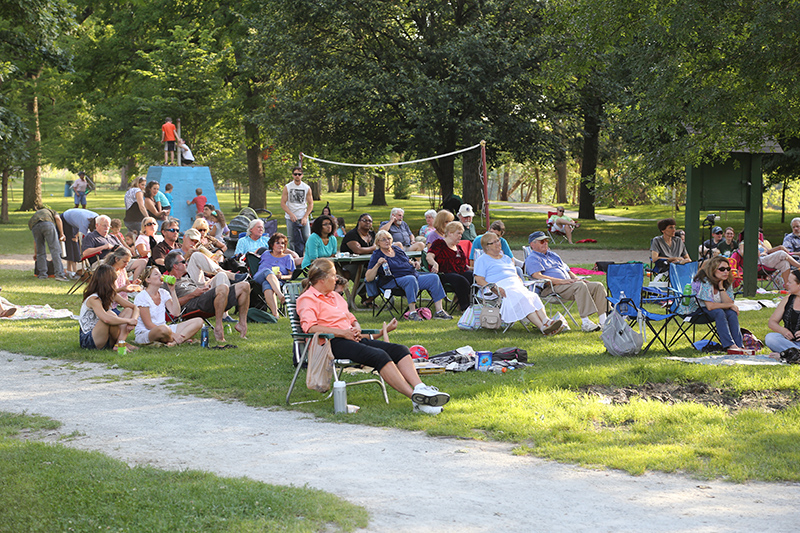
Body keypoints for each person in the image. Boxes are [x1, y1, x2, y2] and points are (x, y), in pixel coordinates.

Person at [297, 258, 451, 414]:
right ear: (322, 280)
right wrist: (344, 332)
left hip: (351, 338)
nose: (336, 279)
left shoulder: (335, 296)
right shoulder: (307, 299)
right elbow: (310, 327)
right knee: (379, 356)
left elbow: (351, 318)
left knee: (400, 350)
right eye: (333, 275)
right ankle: (416, 400)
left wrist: (355, 328)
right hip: (331, 344)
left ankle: (421, 388)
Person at [474, 232, 563, 335]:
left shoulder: (506, 258)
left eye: (498, 240)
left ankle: (546, 321)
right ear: (487, 247)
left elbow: (514, 273)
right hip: (499, 288)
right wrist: (494, 288)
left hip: (516, 285)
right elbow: (479, 280)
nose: (497, 243)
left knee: (532, 296)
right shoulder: (482, 260)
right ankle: (543, 327)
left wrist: (519, 280)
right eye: (493, 242)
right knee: (523, 298)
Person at [524, 231, 607, 332]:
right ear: (532, 244)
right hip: (551, 288)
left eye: (546, 240)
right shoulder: (533, 258)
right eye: (542, 241)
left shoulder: (553, 255)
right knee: (579, 286)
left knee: (597, 286)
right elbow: (537, 276)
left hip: (568, 285)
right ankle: (586, 323)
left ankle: (603, 322)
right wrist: (562, 281)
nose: (545, 243)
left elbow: (568, 270)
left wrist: (577, 279)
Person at [365, 230, 453, 321]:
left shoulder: (397, 249)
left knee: (434, 277)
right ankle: (412, 313)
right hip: (393, 281)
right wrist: (378, 264)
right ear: (378, 242)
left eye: (389, 238)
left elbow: (407, 261)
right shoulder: (377, 255)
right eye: (383, 239)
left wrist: (414, 263)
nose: (387, 241)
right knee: (410, 279)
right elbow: (368, 277)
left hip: (412, 275)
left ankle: (439, 311)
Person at [165, 250, 250, 342]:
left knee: (244, 286)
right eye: (183, 262)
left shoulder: (187, 279)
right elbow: (171, 305)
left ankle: (242, 324)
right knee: (222, 288)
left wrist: (206, 290)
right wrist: (193, 294)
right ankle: (218, 327)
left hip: (203, 299)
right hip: (192, 305)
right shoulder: (167, 284)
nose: (186, 263)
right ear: (175, 266)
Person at [135, 265, 203, 345]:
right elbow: (148, 324)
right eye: (156, 274)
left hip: (165, 329)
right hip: (147, 332)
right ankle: (179, 338)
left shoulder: (163, 293)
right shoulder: (142, 296)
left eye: (160, 274)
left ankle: (174, 342)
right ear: (148, 279)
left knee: (199, 321)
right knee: (163, 329)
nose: (161, 276)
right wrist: (173, 334)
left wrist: (172, 290)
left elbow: (176, 313)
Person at [80, 264, 139, 349]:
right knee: (110, 314)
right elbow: (106, 319)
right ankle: (120, 344)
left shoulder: (111, 294)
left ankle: (120, 343)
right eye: (114, 280)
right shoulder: (93, 298)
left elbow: (135, 307)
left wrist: (134, 320)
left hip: (105, 336)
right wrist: (128, 321)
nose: (116, 283)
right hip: (90, 338)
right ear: (108, 282)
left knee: (129, 310)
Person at [693, 256, 744, 351]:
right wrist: (730, 305)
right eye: (722, 269)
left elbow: (729, 302)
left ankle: (739, 345)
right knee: (719, 312)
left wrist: (721, 288)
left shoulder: (725, 282)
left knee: (731, 313)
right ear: (713, 270)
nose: (726, 272)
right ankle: (730, 345)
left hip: (714, 311)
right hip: (696, 311)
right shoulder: (705, 281)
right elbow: (710, 306)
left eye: (728, 269)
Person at [426, 221, 474, 312]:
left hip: (458, 272)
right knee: (461, 280)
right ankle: (465, 308)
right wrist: (435, 264)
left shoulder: (458, 248)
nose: (460, 236)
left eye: (461, 234)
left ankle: (474, 305)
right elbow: (429, 256)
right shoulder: (439, 243)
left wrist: (476, 269)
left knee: (473, 276)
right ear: (450, 233)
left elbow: (464, 266)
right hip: (443, 273)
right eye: (458, 233)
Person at [253, 233, 295, 317]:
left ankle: (275, 314)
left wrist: (281, 276)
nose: (281, 245)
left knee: (267, 285)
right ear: (272, 245)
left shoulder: (288, 258)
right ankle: (280, 295)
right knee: (267, 271)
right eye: (278, 243)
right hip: (259, 278)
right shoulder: (266, 253)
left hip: (277, 282)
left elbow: (291, 276)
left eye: (283, 243)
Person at [29, 207, 68, 281]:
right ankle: (59, 274)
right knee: (55, 249)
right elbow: (58, 219)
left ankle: (42, 275)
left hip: (34, 226)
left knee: (40, 251)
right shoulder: (52, 212)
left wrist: (35, 253)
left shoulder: (36, 215)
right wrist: (62, 234)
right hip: (47, 224)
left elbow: (35, 241)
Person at [281, 166, 313, 256]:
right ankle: (294, 258)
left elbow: (311, 204)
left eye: (299, 174)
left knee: (307, 237)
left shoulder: (306, 187)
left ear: (302, 175)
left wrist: (305, 216)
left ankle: (309, 257)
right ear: (292, 175)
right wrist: (290, 214)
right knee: (292, 239)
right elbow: (283, 203)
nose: (297, 176)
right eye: (295, 174)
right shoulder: (287, 187)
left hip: (302, 215)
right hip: (290, 217)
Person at [766, 269, 800, 353]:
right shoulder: (788, 299)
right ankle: (794, 353)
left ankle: (791, 353)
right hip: (789, 342)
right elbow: (772, 322)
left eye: (790, 282)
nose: (786, 284)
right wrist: (783, 330)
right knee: (770, 338)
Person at [61, 207, 99, 277]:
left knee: (75, 242)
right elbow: (83, 240)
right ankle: (71, 271)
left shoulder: (98, 219)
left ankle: (72, 270)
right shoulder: (84, 223)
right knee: (72, 244)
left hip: (75, 218)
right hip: (65, 219)